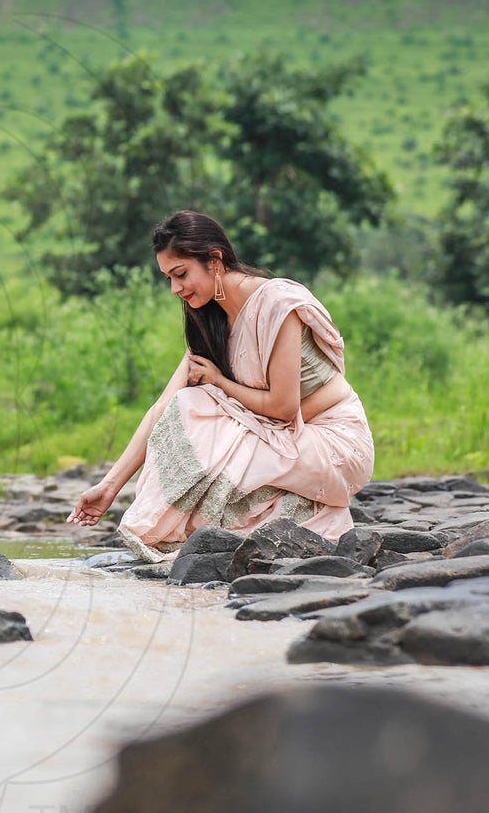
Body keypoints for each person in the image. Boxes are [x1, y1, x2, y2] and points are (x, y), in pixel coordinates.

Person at [66, 210, 375, 562]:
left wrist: (219, 382)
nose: (175, 289)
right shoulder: (209, 320)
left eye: (181, 274)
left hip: (330, 439)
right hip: (274, 436)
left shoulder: (276, 303)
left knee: (201, 402)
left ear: (214, 260)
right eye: (168, 278)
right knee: (187, 405)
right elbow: (162, 409)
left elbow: (284, 407)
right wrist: (109, 485)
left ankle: (292, 515)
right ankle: (255, 526)